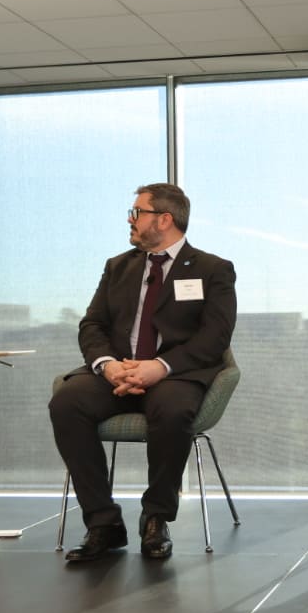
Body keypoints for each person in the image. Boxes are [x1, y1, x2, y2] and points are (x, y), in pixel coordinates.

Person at [50, 183, 236, 562]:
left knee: (173, 410)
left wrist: (160, 366)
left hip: (176, 375)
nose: (130, 220)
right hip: (118, 372)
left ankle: (156, 518)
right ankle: (103, 523)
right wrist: (108, 365)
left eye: (137, 212)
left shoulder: (212, 270)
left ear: (164, 219)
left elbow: (215, 337)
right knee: (67, 403)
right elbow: (92, 325)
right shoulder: (118, 266)